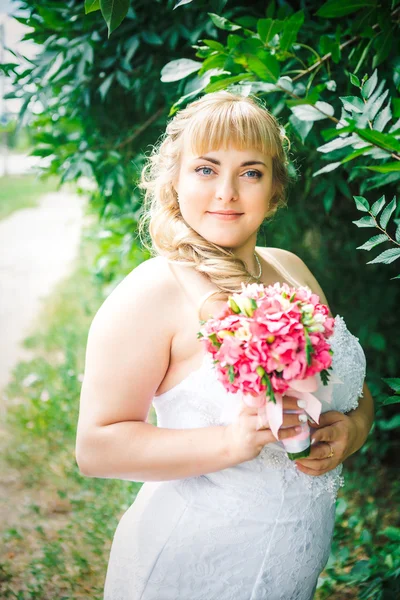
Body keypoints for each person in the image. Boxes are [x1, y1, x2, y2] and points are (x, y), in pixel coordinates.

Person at [75, 91, 374, 600]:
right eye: (207, 170)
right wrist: (230, 444)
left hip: (289, 567)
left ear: (275, 187)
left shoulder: (291, 270)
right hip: (192, 568)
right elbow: (96, 448)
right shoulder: (155, 291)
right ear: (176, 178)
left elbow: (349, 391)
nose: (227, 193)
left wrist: (353, 430)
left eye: (251, 172)